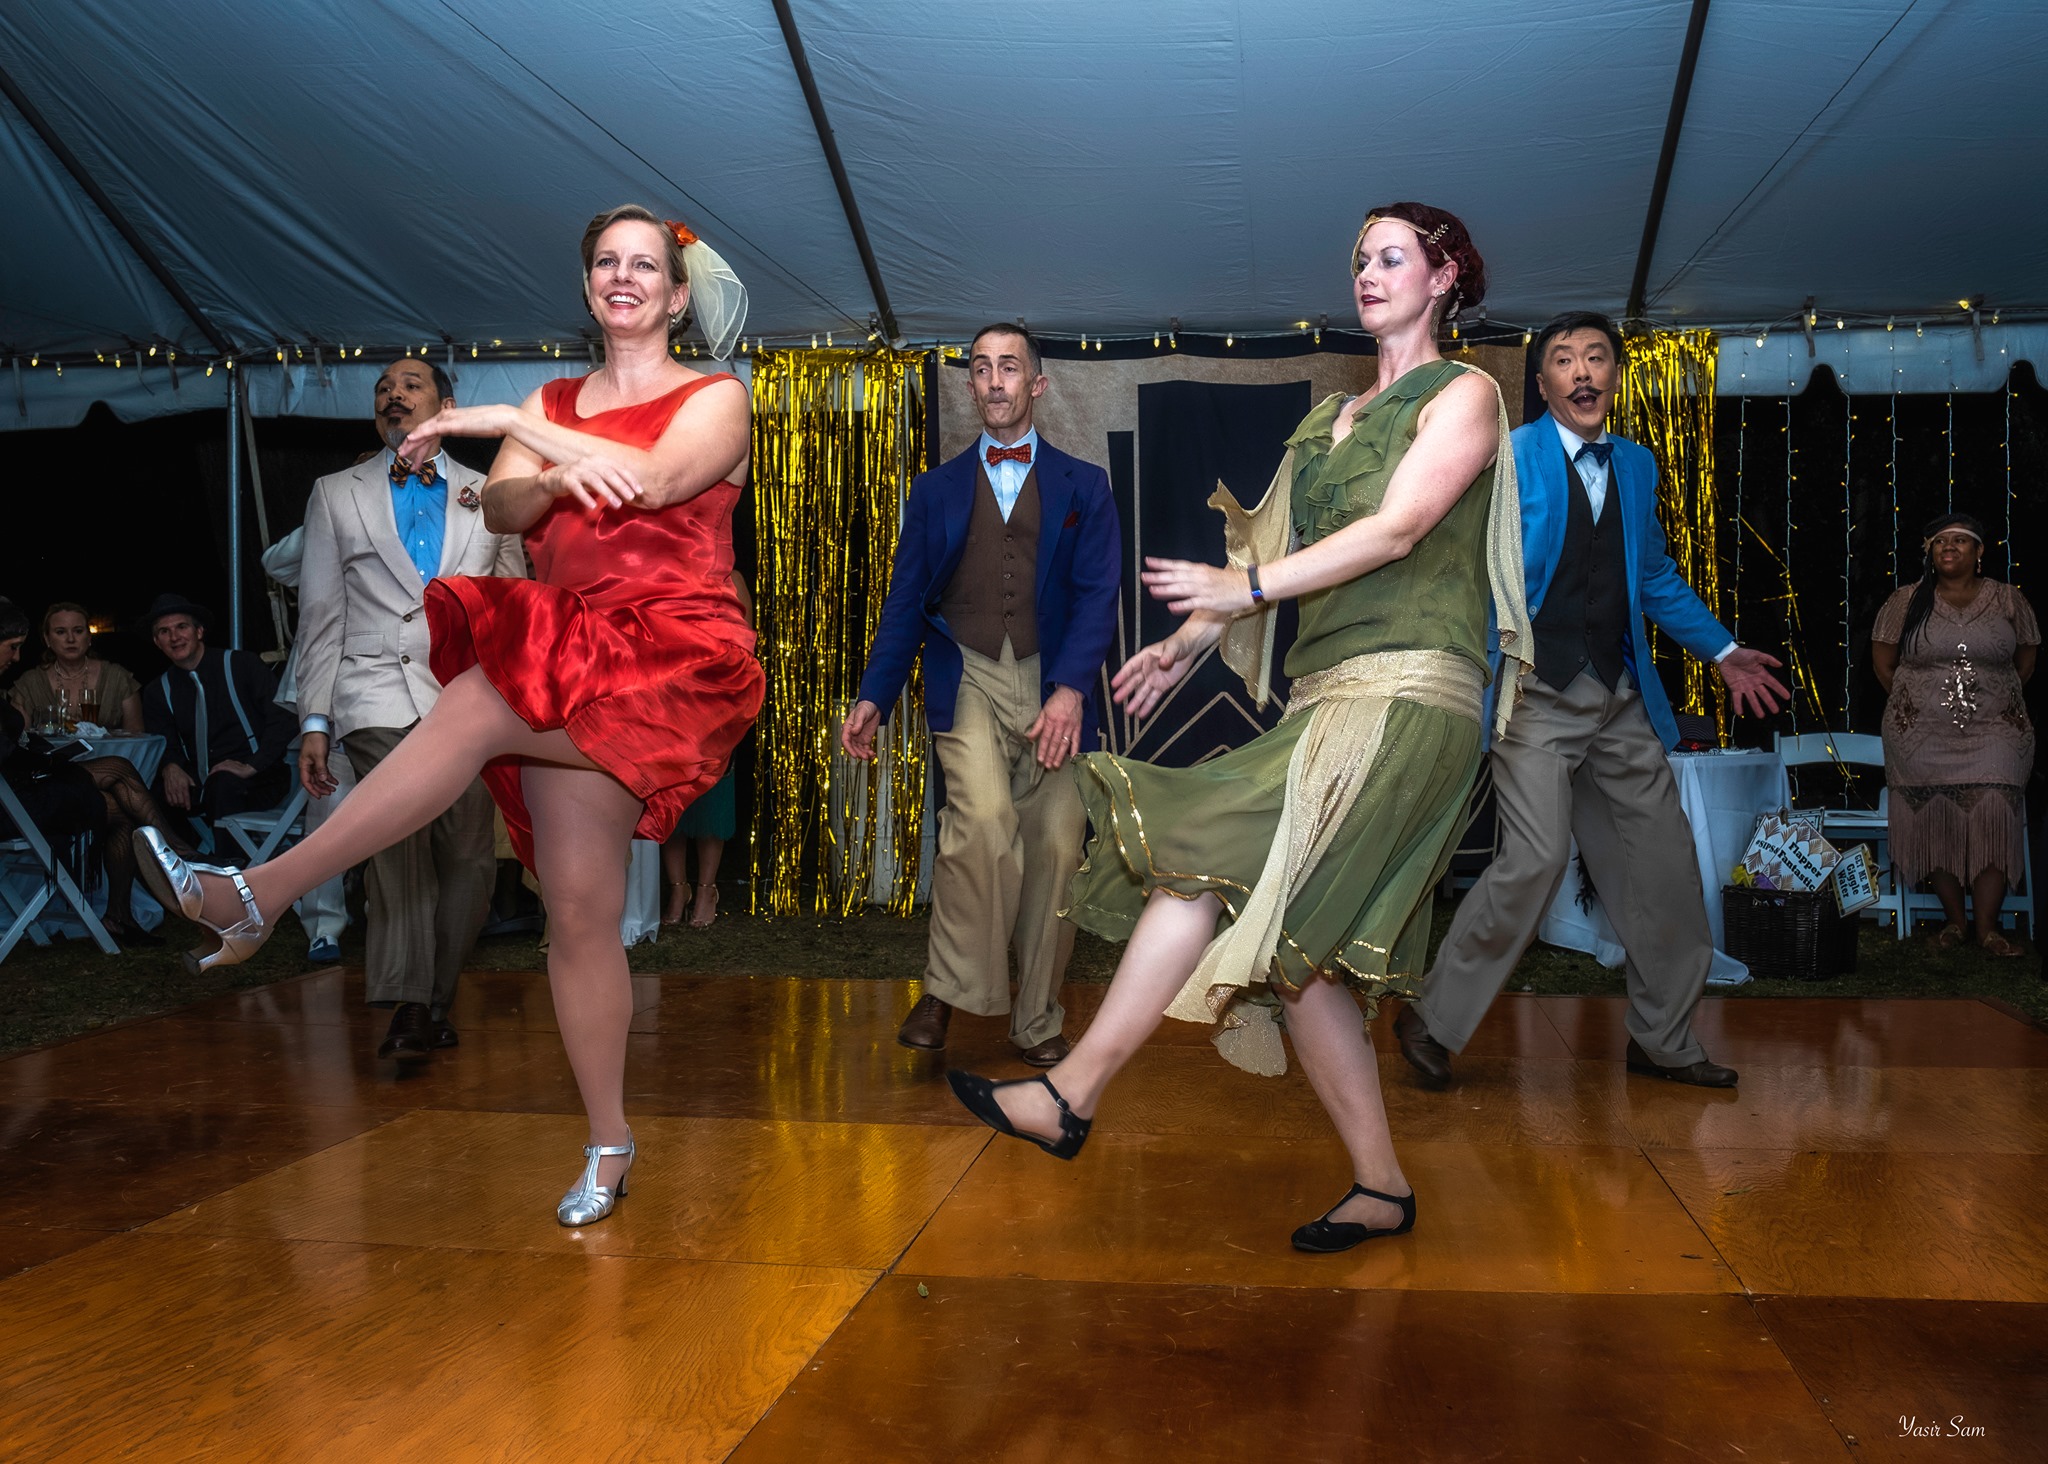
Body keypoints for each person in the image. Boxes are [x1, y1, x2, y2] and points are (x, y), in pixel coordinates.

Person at [136, 204, 761, 1228]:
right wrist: (543, 455)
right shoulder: (556, 395)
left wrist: (519, 431)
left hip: (669, 653)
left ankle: (258, 895)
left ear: (677, 294)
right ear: (587, 284)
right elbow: (507, 510)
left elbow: (648, 480)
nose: (623, 276)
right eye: (605, 260)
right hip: (574, 642)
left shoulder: (717, 398)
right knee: (575, 910)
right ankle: (609, 1141)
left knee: (475, 702)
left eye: (644, 264)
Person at [947, 204, 1531, 1252]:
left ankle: (1068, 1095)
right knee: (1286, 952)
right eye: (1357, 258)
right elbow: (1257, 577)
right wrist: (1179, 646)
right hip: (1324, 700)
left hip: (1403, 701)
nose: (1365, 272)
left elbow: (1394, 531)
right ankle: (1381, 1186)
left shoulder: (1465, 394)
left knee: (1206, 862)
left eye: (1391, 256)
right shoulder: (1326, 423)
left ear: (1443, 277)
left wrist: (1244, 582)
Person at [1395, 311, 1789, 1093]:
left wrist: (1723, 650)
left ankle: (1666, 1041)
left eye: (1597, 358)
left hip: (1616, 698)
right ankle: (1432, 1020)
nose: (1583, 372)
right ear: (1540, 382)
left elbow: (1652, 579)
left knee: (1664, 866)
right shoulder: (1505, 459)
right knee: (1536, 858)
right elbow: (1469, 575)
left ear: (1614, 375)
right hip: (1533, 691)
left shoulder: (1637, 465)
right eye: (1564, 360)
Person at [840, 324, 1120, 1066]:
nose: (994, 380)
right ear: (971, 386)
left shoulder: (1083, 485)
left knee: (1058, 846)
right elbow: (905, 600)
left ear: (1036, 384)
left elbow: (1097, 596)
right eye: (982, 369)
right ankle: (946, 987)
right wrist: (876, 693)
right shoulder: (932, 492)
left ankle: (1036, 1021)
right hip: (963, 673)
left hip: (1050, 682)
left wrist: (1068, 692)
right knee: (985, 822)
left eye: (1010, 368)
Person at [294, 358, 528, 1060]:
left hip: (467, 699)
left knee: (468, 860)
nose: (393, 393)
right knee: (397, 844)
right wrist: (314, 719)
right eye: (383, 388)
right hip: (375, 696)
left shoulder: (490, 494)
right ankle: (405, 1007)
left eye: (410, 384)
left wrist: (517, 699)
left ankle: (432, 1001)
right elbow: (320, 614)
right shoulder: (335, 494)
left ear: (446, 406)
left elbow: (517, 606)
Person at [1871, 511, 2038, 956]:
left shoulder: (2007, 600)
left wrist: (1996, 700)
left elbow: (2025, 660)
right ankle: (1954, 923)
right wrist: (1917, 703)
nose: (1949, 547)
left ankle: (1989, 930)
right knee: (1937, 819)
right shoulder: (1905, 601)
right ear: (1929, 552)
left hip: (1996, 731)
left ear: (1979, 552)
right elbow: (1884, 664)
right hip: (1921, 735)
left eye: (1960, 540)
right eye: (1940, 541)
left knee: (1993, 816)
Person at [262, 528, 351, 963]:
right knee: (328, 814)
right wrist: (328, 510)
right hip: (330, 695)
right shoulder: (329, 533)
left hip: (402, 690)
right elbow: (276, 563)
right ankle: (324, 928)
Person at [137, 594, 297, 828]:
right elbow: (163, 741)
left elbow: (284, 717)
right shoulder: (157, 691)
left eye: (182, 627)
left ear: (199, 631)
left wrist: (252, 765)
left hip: (258, 778)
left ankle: (228, 864)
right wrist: (171, 767)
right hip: (196, 784)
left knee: (223, 785)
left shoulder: (242, 666)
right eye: (164, 631)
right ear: (157, 642)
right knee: (143, 795)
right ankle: (178, 861)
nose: (174, 637)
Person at [663, 571, 751, 929]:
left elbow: (746, 644)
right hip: (670, 700)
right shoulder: (665, 570)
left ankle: (706, 890)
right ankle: (677, 889)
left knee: (712, 795)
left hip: (715, 701)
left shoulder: (732, 579)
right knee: (669, 797)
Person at [7, 603, 144, 733]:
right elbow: (18, 740)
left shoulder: (117, 677)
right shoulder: (30, 683)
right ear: (47, 639)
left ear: (89, 637)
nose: (71, 639)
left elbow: (137, 738)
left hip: (113, 756)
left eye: (78, 631)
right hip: (49, 758)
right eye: (61, 632)